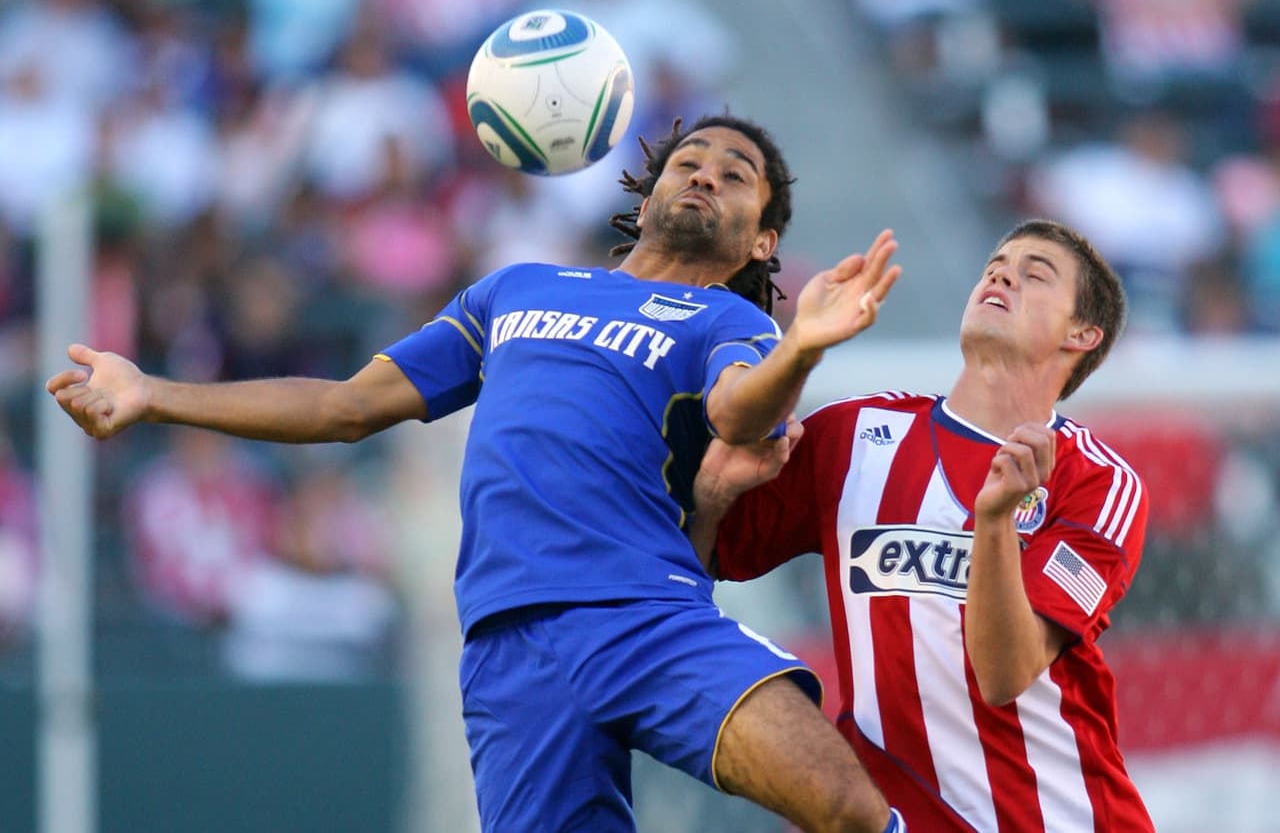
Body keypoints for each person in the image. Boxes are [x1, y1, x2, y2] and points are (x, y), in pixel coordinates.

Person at [48, 114, 907, 833]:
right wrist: (155, 394)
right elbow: (346, 408)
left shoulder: (723, 319)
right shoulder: (516, 288)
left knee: (846, 807)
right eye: (688, 162)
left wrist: (798, 349)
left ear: (763, 239)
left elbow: (737, 413)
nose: (705, 176)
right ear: (644, 199)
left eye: (736, 173)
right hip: (508, 648)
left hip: (641, 616)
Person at [693, 218, 1155, 832]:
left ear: (1082, 333)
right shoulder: (853, 435)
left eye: (1034, 272)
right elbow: (703, 556)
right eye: (997, 262)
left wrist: (993, 521)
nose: (1002, 272)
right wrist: (714, 487)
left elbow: (1004, 673)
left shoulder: (1097, 481)